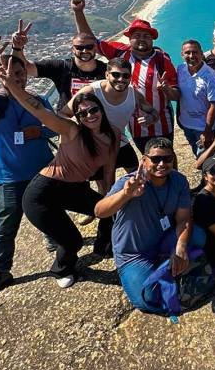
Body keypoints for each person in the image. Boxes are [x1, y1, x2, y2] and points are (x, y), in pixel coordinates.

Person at [0, 58, 120, 289]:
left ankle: (103, 246)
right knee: (72, 240)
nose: (90, 116)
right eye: (83, 114)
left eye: (94, 110)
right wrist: (13, 87)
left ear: (100, 110)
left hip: (73, 188)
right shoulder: (71, 130)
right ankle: (61, 268)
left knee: (108, 208)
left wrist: (110, 197)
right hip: (43, 192)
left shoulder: (112, 134)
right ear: (78, 118)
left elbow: (109, 170)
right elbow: (38, 109)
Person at [0, 39, 56, 301]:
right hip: (11, 176)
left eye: (19, 73)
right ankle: (0, 271)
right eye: (8, 73)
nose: (16, 78)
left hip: (42, 170)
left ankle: (54, 239)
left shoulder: (37, 100)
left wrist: (38, 131)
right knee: (6, 225)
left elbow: (55, 126)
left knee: (50, 210)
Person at [94, 138, 202, 314]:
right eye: (155, 159)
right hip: (134, 254)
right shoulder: (129, 182)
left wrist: (180, 246)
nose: (162, 164)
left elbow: (184, 218)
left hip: (163, 240)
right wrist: (126, 194)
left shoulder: (179, 180)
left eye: (167, 159)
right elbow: (99, 211)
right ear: (144, 160)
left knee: (198, 235)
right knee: (148, 299)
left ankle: (168, 263)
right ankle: (168, 267)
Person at [61, 57, 158, 246]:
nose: (120, 80)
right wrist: (83, 134)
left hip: (120, 142)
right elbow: (65, 114)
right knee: (107, 189)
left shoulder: (134, 95)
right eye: (115, 75)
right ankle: (105, 228)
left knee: (140, 177)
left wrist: (150, 118)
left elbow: (152, 111)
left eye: (125, 76)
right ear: (106, 74)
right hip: (97, 150)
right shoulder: (91, 92)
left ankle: (139, 212)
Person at [69, 0, 179, 148]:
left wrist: (167, 89)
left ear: (152, 39)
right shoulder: (119, 52)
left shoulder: (162, 59)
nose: (141, 39)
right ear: (130, 39)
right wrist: (78, 12)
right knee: (148, 159)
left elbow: (177, 95)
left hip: (162, 124)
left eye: (146, 36)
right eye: (137, 36)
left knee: (167, 159)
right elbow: (90, 41)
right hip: (134, 125)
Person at [9, 18, 106, 112]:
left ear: (95, 48)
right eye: (79, 47)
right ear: (73, 49)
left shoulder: (107, 71)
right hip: (68, 122)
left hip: (99, 121)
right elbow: (26, 67)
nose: (85, 51)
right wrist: (17, 47)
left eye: (89, 47)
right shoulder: (61, 67)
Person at [176, 39, 215, 157]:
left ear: (201, 53)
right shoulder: (180, 69)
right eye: (187, 52)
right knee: (197, 154)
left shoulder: (211, 76)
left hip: (202, 127)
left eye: (195, 52)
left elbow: (214, 105)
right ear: (182, 54)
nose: (191, 56)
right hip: (186, 124)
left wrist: (207, 131)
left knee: (206, 158)